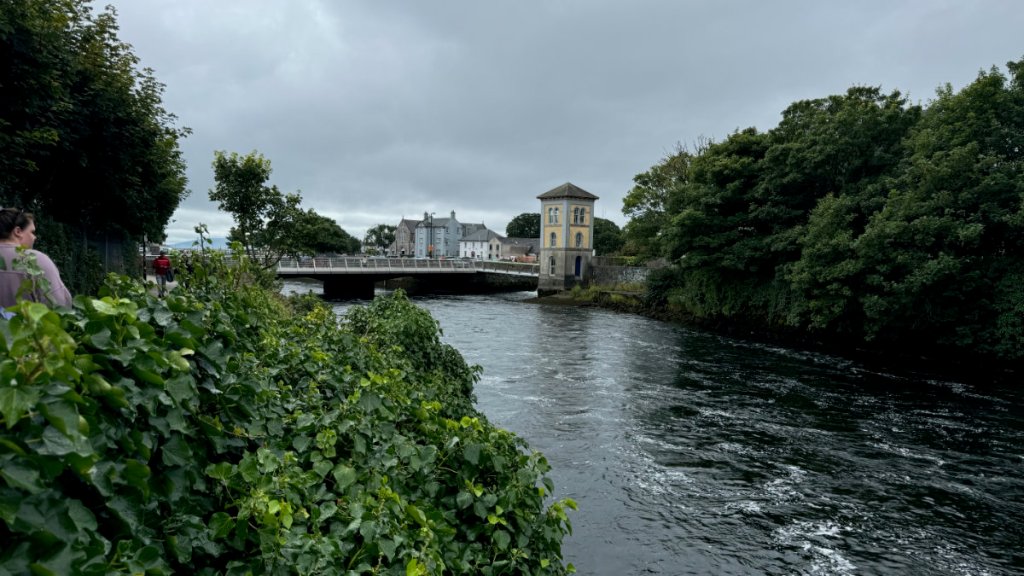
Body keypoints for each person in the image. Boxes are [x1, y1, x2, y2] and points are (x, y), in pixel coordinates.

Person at [0, 207, 72, 312]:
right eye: (32, 232)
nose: (35, 237)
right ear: (18, 231)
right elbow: (59, 307)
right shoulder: (37, 260)